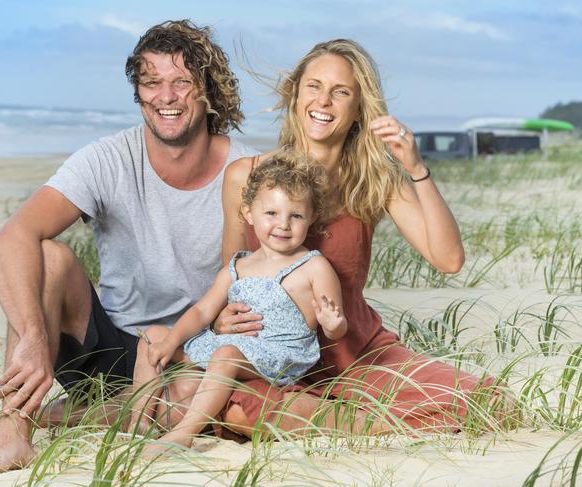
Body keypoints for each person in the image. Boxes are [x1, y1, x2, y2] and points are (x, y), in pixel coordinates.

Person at [0, 20, 258, 475]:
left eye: (182, 81)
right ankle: (14, 427)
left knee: (191, 404)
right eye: (151, 82)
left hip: (189, 353)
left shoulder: (244, 169)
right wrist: (36, 338)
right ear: (138, 92)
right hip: (105, 347)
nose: (166, 96)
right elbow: (12, 236)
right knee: (46, 255)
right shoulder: (107, 158)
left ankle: (65, 414)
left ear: (207, 91)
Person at [216, 39, 509, 438]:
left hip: (358, 355)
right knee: (234, 406)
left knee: (492, 402)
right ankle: (366, 425)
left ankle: (343, 423)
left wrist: (416, 168)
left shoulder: (375, 180)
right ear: (295, 93)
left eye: (341, 92)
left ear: (358, 110)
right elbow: (229, 276)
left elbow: (449, 259)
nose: (324, 101)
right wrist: (221, 318)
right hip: (273, 358)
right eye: (314, 86)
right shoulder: (245, 176)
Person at [129, 151, 347, 452]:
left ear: (310, 219)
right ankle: (137, 422)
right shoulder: (238, 265)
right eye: (271, 213)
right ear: (248, 213)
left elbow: (336, 328)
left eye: (295, 216)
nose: (283, 225)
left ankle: (184, 433)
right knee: (152, 336)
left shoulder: (313, 266)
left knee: (226, 353)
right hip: (232, 348)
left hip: (278, 356)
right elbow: (203, 310)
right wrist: (171, 342)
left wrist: (334, 325)